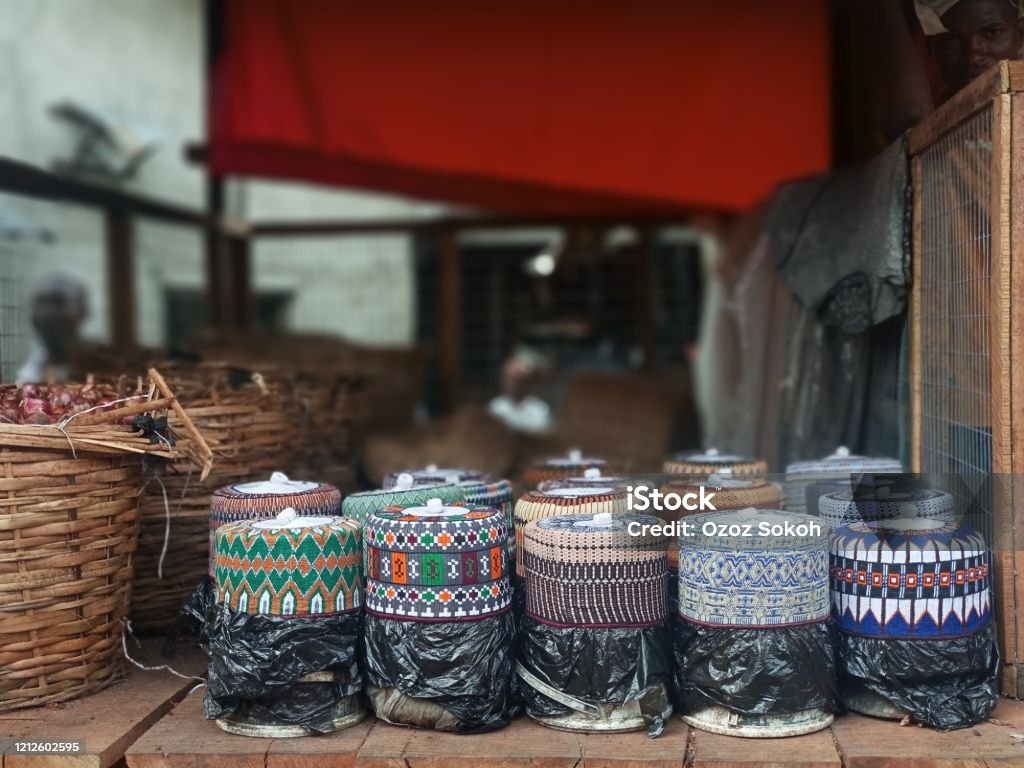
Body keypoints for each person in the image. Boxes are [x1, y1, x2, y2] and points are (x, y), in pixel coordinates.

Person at [916, 0, 1024, 95]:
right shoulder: (930, 115)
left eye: (993, 33)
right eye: (951, 41)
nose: (973, 58)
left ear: (1020, 35)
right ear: (929, 47)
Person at [16, 275, 88, 384]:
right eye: (41, 302)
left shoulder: (95, 364)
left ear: (82, 313)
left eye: (58, 302)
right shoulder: (32, 369)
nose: (47, 313)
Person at [486, 348, 552, 434]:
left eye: (517, 379)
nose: (512, 383)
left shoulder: (540, 411)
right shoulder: (495, 409)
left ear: (526, 381)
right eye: (509, 378)